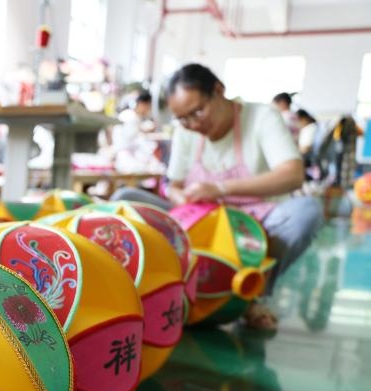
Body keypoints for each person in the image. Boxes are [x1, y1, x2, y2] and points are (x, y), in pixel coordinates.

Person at [111, 63, 323, 332]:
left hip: (253, 227)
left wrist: (221, 189)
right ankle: (160, 286)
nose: (194, 124)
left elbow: (293, 174)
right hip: (198, 223)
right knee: (124, 199)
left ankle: (251, 293)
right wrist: (181, 197)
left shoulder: (261, 117)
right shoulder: (187, 131)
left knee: (307, 212)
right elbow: (173, 185)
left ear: (219, 90)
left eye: (198, 112)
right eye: (184, 119)